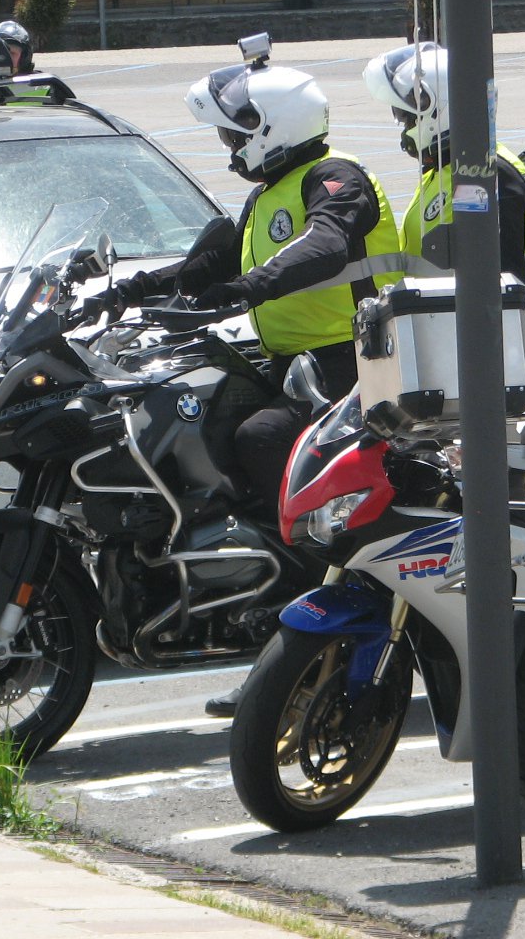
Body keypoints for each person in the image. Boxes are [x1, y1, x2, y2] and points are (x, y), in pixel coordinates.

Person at [83, 38, 403, 716]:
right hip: (297, 365)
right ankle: (249, 573)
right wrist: (127, 291)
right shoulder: (264, 198)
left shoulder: (336, 177)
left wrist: (246, 290)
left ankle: (316, 604)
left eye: (235, 133)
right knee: (206, 415)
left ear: (271, 128)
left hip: (358, 364)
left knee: (262, 440)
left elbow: (325, 244)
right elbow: (209, 265)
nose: (229, 147)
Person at [362, 42, 525, 308]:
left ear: (438, 111)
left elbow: (503, 281)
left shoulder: (487, 174)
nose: (405, 127)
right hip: (441, 315)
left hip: (486, 323)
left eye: (408, 118)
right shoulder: (444, 169)